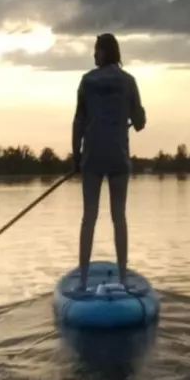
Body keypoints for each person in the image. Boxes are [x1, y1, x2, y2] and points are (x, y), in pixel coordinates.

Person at [71, 33, 146, 291]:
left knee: (88, 217)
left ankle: (82, 281)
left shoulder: (86, 81)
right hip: (118, 158)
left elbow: (78, 121)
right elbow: (140, 122)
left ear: (104, 53)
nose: (94, 55)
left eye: (96, 51)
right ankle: (123, 279)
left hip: (92, 157)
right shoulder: (129, 82)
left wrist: (75, 156)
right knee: (119, 217)